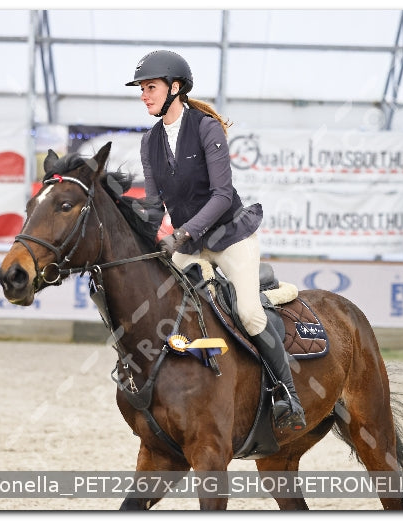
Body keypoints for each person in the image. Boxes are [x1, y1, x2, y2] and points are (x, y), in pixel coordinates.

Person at [126, 49, 306, 431]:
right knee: (163, 303)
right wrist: (138, 231)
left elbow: (222, 194)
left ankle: (287, 394)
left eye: (151, 87)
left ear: (176, 88)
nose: (144, 94)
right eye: (142, 88)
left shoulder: (206, 128)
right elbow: (155, 207)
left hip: (230, 238)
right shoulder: (150, 142)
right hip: (190, 247)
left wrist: (184, 232)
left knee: (249, 313)